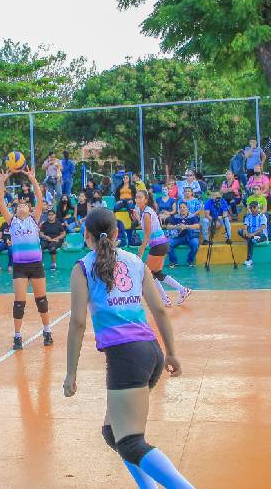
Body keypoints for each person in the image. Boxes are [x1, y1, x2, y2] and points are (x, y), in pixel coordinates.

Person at [63, 207, 191, 489]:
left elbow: (78, 323)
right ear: (116, 233)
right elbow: (159, 309)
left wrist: (71, 372)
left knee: (131, 442)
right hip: (151, 353)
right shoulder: (135, 262)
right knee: (113, 433)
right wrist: (171, 353)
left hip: (126, 357)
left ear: (86, 236)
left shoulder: (82, 268)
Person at [0, 168, 51, 349]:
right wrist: (2, 182)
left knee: (41, 300)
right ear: (15, 210)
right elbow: (0, 202)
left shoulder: (34, 220)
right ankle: (17, 336)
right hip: (20, 266)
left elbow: (39, 198)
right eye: (19, 205)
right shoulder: (12, 221)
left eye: (25, 205)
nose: (21, 205)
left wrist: (33, 179)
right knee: (19, 303)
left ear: (29, 210)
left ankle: (47, 331)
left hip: (36, 265)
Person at [133, 190, 191, 307]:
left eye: (140, 197)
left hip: (158, 245)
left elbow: (147, 234)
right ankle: (180, 291)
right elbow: (147, 229)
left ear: (146, 200)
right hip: (162, 244)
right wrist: (138, 218)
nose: (137, 200)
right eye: (136, 198)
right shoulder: (147, 212)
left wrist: (141, 251)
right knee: (157, 274)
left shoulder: (147, 213)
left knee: (148, 274)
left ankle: (167, 298)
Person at [166, 203, 201, 269]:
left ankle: (190, 261)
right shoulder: (175, 217)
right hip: (178, 238)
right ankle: (173, 261)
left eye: (184, 207)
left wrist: (186, 226)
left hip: (190, 237)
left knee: (195, 243)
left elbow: (197, 226)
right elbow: (168, 226)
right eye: (181, 207)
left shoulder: (192, 216)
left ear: (188, 208)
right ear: (179, 209)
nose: (182, 209)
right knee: (168, 244)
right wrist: (177, 226)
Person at [239, 201, 268, 267]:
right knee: (240, 231)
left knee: (251, 240)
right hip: (251, 235)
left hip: (261, 235)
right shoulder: (248, 216)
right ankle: (252, 239)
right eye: (251, 207)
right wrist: (245, 231)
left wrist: (252, 234)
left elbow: (262, 228)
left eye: (254, 207)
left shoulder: (262, 216)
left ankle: (249, 259)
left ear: (258, 208)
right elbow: (245, 225)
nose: (252, 209)